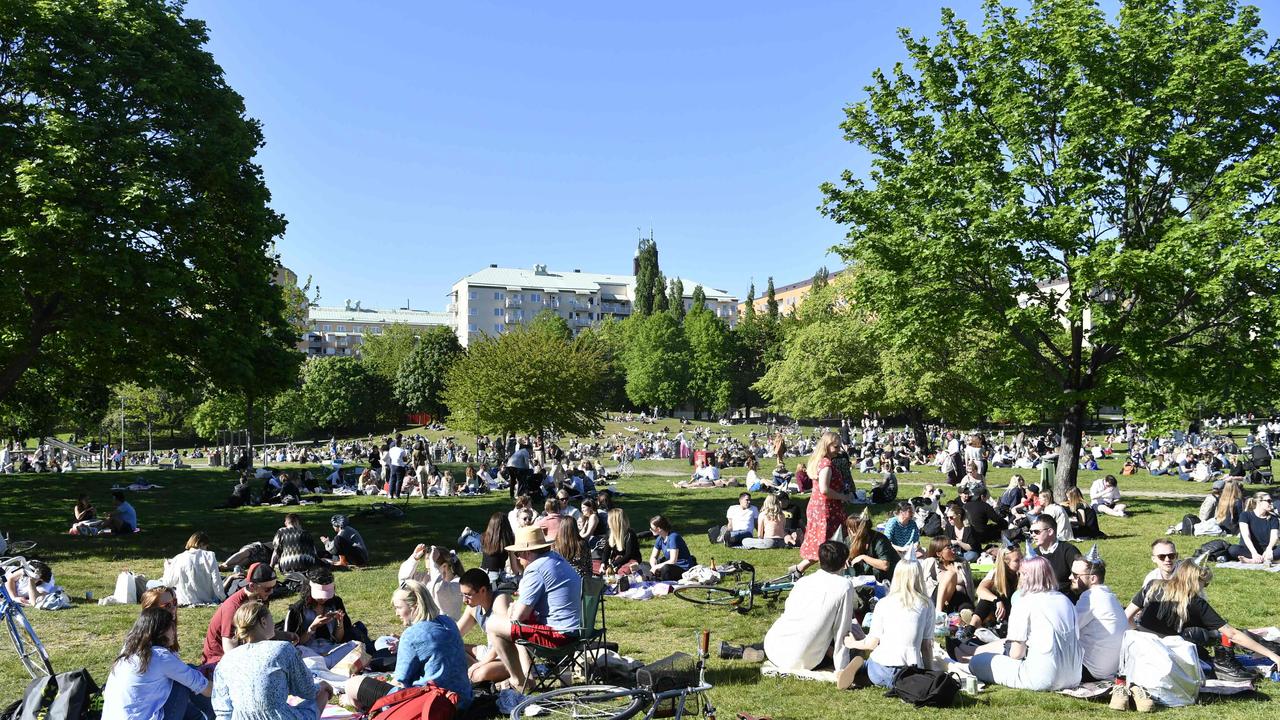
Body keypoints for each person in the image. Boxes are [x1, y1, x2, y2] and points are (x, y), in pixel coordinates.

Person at [1127, 559, 1280, 678]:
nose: (1204, 588)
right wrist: (1273, 656)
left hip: (1138, 650)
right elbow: (1232, 634)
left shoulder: (1153, 585)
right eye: (1205, 584)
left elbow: (1126, 617)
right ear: (1195, 581)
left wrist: (1140, 634)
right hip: (1166, 656)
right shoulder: (1195, 602)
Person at [345, 579, 472, 714]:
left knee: (352, 684)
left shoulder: (411, 635)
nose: (396, 613)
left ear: (415, 605)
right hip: (463, 698)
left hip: (432, 704)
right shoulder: (447, 621)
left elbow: (400, 681)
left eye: (399, 608)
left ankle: (360, 706)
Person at [484, 526, 583, 691]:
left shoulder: (535, 569)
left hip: (559, 635)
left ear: (526, 553)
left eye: (517, 554)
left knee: (493, 625)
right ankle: (527, 677)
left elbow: (518, 617)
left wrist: (512, 608)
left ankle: (518, 681)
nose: (518, 559)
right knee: (520, 627)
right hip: (578, 630)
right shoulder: (557, 559)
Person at [967, 556, 1082, 691]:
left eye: (1020, 574)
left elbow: (1016, 654)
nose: (1019, 578)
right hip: (1074, 676)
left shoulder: (1024, 601)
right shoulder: (1066, 601)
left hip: (1041, 678)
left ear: (1027, 577)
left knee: (976, 662)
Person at [211, 601, 331, 720]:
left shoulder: (226, 660)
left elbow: (223, 712)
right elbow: (307, 691)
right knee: (323, 691)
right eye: (271, 619)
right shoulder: (282, 649)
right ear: (263, 622)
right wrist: (322, 686)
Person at [761, 541, 858, 674]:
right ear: (844, 563)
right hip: (803, 660)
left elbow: (789, 611)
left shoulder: (803, 581)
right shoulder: (844, 586)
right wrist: (842, 669)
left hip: (773, 646)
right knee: (854, 650)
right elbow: (842, 629)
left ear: (819, 561)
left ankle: (744, 651)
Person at [102, 608, 211, 720]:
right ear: (160, 630)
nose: (174, 631)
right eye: (171, 627)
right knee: (183, 680)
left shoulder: (127, 652)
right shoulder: (159, 656)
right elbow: (204, 688)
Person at [841, 556, 933, 689]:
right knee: (902, 677)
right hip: (909, 671)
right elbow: (926, 646)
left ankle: (862, 671)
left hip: (880, 667)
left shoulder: (883, 603)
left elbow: (872, 644)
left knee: (872, 664)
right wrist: (930, 673)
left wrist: (853, 643)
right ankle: (874, 676)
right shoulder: (926, 604)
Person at [793, 432, 852, 575]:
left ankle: (797, 570)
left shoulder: (821, 461)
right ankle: (831, 574)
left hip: (819, 507)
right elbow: (824, 489)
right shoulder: (826, 464)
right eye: (836, 447)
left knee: (823, 542)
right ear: (826, 446)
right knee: (831, 545)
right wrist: (842, 496)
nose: (839, 450)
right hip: (826, 509)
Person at [200, 562, 277, 665]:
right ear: (252, 586)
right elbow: (230, 651)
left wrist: (286, 636)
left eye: (274, 587)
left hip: (244, 650)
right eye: (267, 589)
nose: (271, 592)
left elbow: (262, 631)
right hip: (218, 661)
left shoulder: (260, 598)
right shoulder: (233, 608)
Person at [1070, 548, 1125, 681]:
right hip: (1110, 668)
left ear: (1093, 578)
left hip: (1092, 670)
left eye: (1076, 575)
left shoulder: (1091, 597)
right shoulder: (1108, 595)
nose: (1070, 577)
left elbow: (1068, 628)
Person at [456, 569, 515, 684]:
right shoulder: (473, 608)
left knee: (479, 675)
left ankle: (474, 672)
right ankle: (472, 671)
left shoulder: (500, 600)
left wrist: (481, 664)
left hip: (507, 655)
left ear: (482, 590)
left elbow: (504, 640)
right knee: (453, 648)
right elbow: (455, 634)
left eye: (468, 595)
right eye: (462, 595)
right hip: (489, 653)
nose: (464, 600)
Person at [280, 570, 353, 651]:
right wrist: (312, 627)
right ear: (309, 589)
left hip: (332, 648)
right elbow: (291, 644)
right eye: (320, 595)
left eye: (326, 595)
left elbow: (339, 639)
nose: (323, 598)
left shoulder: (336, 603)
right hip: (307, 652)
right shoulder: (297, 610)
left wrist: (340, 623)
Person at [399, 544, 465, 621]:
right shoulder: (427, 578)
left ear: (444, 567)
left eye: (431, 569)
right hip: (426, 627)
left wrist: (433, 562)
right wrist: (414, 559)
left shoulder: (458, 584)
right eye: (427, 570)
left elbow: (438, 590)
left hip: (445, 630)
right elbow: (404, 582)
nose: (429, 573)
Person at [163, 531, 227, 606]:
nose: (207, 549)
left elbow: (168, 583)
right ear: (201, 544)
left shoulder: (179, 558)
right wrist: (223, 597)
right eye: (206, 547)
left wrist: (167, 568)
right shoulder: (210, 556)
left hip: (185, 600)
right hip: (206, 598)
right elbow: (216, 581)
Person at [969, 542, 1021, 631]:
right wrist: (997, 600)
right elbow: (980, 590)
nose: (1021, 562)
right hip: (1000, 609)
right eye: (1017, 561)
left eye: (1022, 559)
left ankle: (985, 625)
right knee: (987, 596)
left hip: (1016, 611)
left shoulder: (1025, 572)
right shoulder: (996, 573)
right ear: (1006, 563)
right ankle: (971, 627)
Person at [921, 536, 975, 614]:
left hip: (958, 599)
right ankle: (939, 612)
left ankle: (967, 615)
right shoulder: (930, 562)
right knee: (950, 574)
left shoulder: (962, 562)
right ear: (939, 553)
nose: (953, 549)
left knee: (966, 607)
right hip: (937, 600)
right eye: (949, 548)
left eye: (952, 546)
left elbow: (970, 586)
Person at [1028, 516, 1080, 594]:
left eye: (1036, 531)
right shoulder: (1033, 554)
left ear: (1050, 532)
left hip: (1066, 599)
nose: (1033, 535)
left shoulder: (1068, 551)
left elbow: (1080, 580)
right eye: (1031, 532)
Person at [844, 511, 896, 581]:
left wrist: (863, 557)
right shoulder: (849, 539)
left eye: (853, 528)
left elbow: (885, 565)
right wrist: (845, 560)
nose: (849, 530)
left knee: (876, 570)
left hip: (885, 577)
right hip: (862, 576)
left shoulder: (879, 539)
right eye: (849, 527)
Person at [1228, 491, 1279, 562]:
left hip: (1267, 550)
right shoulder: (1245, 515)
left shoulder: (1273, 518)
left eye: (1271, 501)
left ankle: (1252, 561)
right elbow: (1246, 535)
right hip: (1249, 549)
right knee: (1233, 549)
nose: (1271, 503)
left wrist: (1269, 549)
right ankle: (1266, 559)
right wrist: (1254, 553)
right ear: (1259, 502)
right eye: (1269, 501)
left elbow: (1274, 536)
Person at [649, 514, 697, 581]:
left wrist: (657, 567)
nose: (650, 530)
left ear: (659, 529)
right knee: (646, 565)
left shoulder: (673, 537)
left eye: (652, 528)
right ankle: (656, 577)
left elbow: (673, 561)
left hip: (683, 567)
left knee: (665, 568)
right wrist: (653, 566)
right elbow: (653, 557)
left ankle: (658, 579)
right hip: (672, 566)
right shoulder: (660, 539)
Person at [605, 508, 642, 572]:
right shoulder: (611, 533)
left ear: (614, 523)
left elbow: (628, 555)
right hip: (619, 559)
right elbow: (606, 550)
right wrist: (604, 562)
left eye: (609, 520)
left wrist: (613, 565)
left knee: (623, 571)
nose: (607, 522)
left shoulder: (630, 534)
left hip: (631, 559)